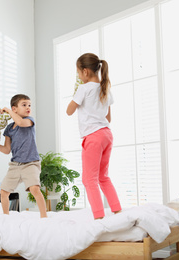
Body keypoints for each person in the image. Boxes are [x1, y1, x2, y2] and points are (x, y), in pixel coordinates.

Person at [66, 53, 121, 220]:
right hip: (107, 134)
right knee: (103, 176)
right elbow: (108, 118)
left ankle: (98, 216)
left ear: (85, 72)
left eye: (78, 73)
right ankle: (117, 209)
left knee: (89, 179)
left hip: (93, 137)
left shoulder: (83, 89)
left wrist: (77, 92)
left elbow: (69, 111)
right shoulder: (105, 89)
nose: (78, 77)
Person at [0, 94, 47, 218]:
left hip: (31, 163)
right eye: (24, 105)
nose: (28, 107)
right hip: (15, 165)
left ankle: (44, 216)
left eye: (29, 105)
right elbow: (7, 150)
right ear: (15, 109)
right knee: (3, 192)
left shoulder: (29, 121)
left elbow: (19, 122)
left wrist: (8, 111)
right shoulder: (9, 129)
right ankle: (6, 216)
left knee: (35, 189)